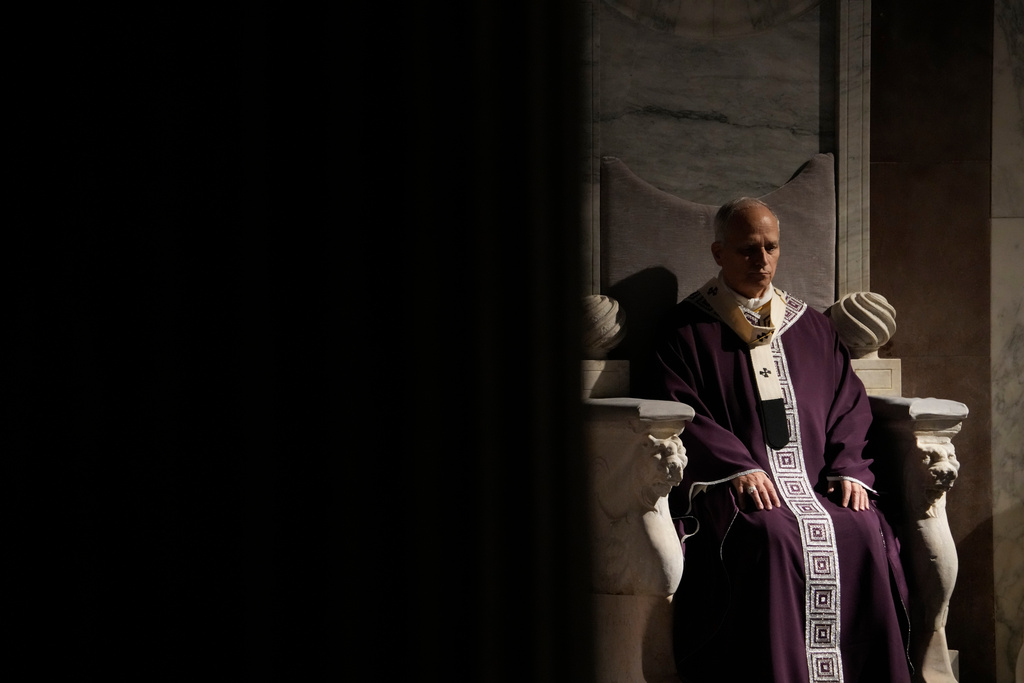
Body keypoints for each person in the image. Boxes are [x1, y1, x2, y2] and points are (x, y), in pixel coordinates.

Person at [640, 197, 912, 683]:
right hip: (733, 488)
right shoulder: (684, 331)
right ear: (718, 252)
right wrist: (736, 466)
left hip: (813, 485)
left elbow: (849, 405)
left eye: (771, 248)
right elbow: (680, 409)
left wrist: (849, 466)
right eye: (747, 249)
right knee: (769, 537)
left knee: (864, 530)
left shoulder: (811, 327)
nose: (761, 261)